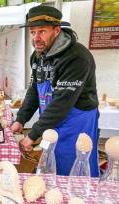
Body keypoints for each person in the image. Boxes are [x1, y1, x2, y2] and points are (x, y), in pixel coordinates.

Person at [10, 5, 99, 177]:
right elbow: (34, 90)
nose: (36, 38)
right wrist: (21, 119)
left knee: (75, 167)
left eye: (42, 31)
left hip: (76, 123)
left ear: (57, 30)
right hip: (52, 120)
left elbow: (62, 103)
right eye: (33, 32)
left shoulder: (76, 57)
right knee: (52, 162)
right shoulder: (38, 55)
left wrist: (33, 135)